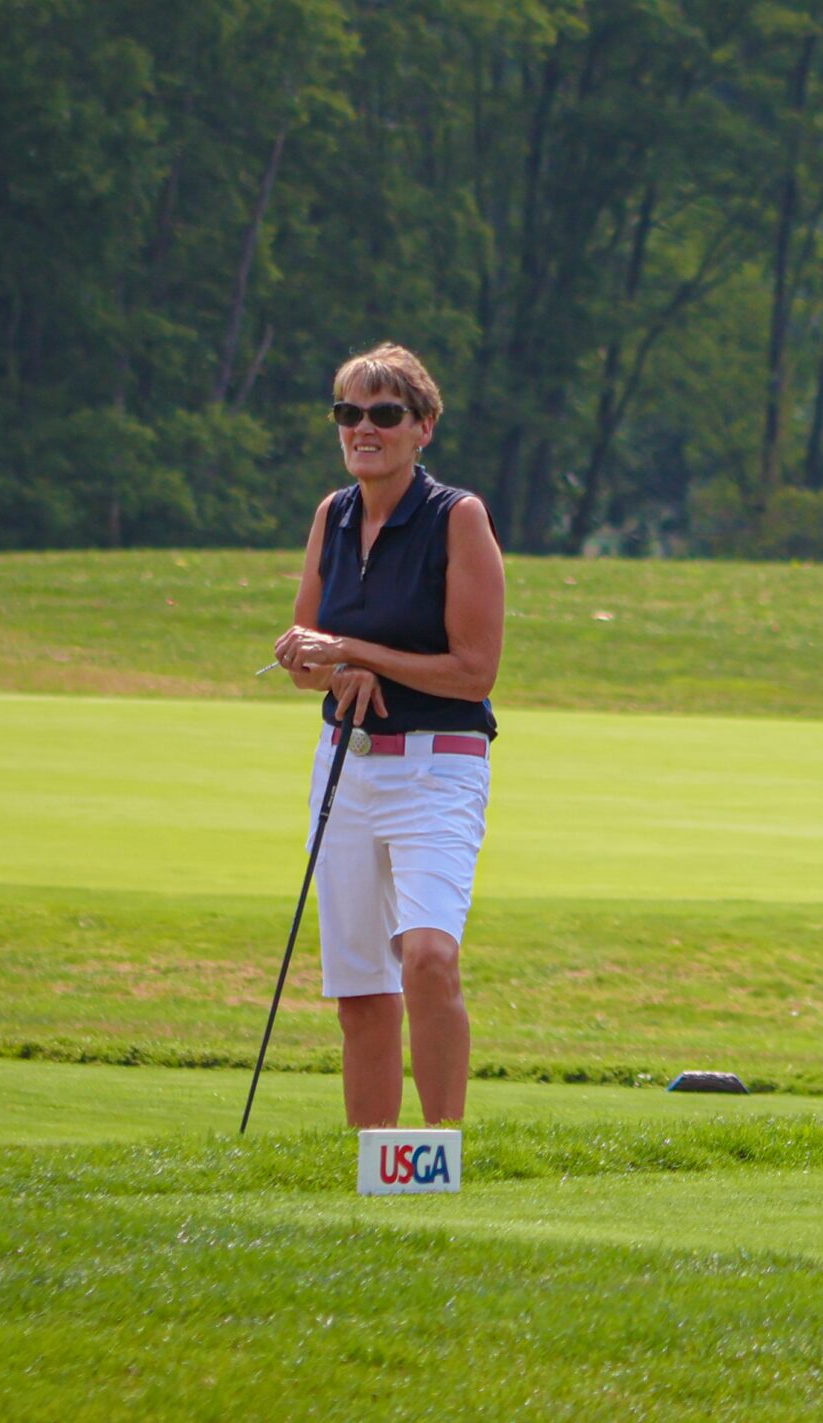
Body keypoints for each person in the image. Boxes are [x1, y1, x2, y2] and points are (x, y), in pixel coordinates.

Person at [272, 343, 505, 1128]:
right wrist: (325, 666)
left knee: (428, 959)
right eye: (348, 413)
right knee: (361, 990)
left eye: (384, 413)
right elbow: (310, 651)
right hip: (348, 767)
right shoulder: (331, 516)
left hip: (438, 770)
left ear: (423, 427)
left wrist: (354, 653)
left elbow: (474, 671)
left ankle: (439, 1153)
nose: (362, 428)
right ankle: (373, 1175)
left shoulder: (456, 518)